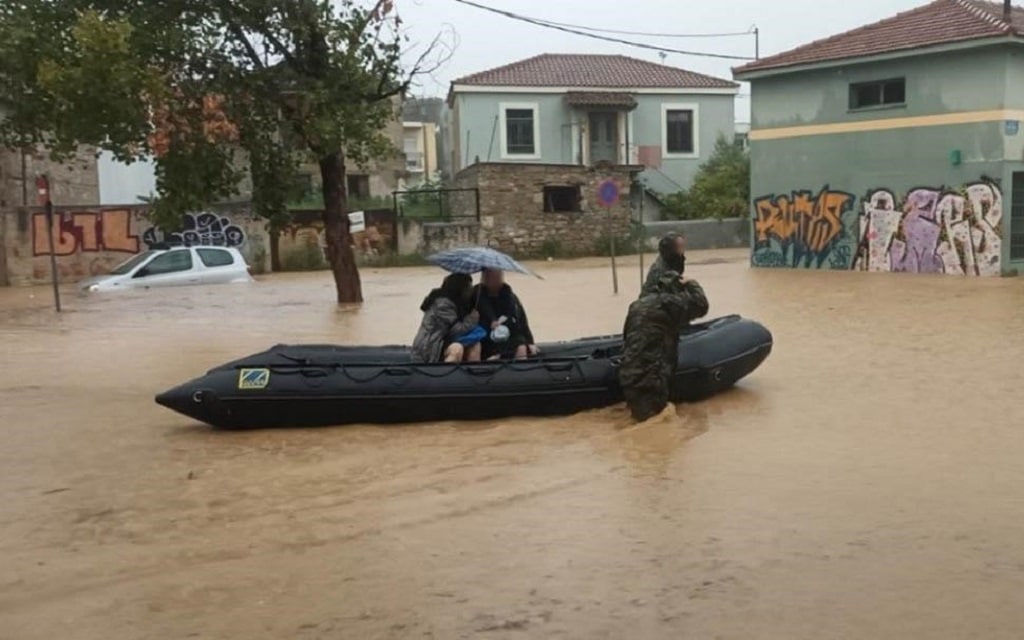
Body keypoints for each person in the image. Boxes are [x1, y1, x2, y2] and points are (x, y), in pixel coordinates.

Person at [619, 270, 709, 422]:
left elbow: (626, 336)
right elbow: (701, 305)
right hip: (651, 377)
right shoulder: (669, 303)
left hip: (628, 375)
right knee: (655, 426)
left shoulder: (636, 306)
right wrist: (691, 283)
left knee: (640, 421)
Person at [410, 273, 482, 363]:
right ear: (459, 289)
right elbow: (458, 330)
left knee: (475, 344)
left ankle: (474, 375)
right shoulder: (443, 305)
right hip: (430, 347)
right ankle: (444, 375)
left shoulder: (457, 303)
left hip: (443, 342)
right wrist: (473, 318)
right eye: (468, 288)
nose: (470, 291)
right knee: (457, 349)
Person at [473, 268, 538, 360]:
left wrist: (529, 341)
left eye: (498, 277)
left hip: (508, 335)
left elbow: (521, 321)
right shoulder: (476, 296)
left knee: (521, 346)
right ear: (484, 279)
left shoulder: (510, 296)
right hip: (486, 337)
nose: (496, 281)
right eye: (492, 278)